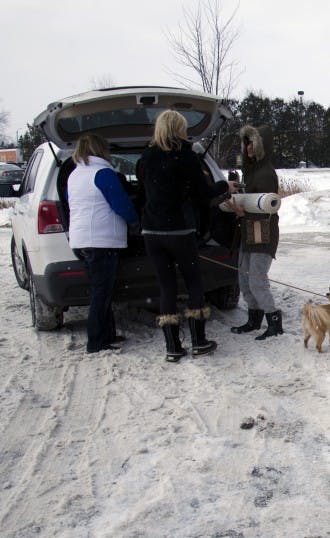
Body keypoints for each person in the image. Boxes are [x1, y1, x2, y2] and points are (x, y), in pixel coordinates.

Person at [137, 110, 232, 362]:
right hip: (179, 231)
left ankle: (173, 347)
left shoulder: (146, 157)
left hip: (151, 232)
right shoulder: (186, 157)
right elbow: (204, 193)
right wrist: (225, 186)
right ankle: (199, 342)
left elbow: (143, 191)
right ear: (178, 129)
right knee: (193, 283)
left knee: (166, 287)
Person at [66, 133, 139, 354]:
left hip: (80, 241)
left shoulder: (74, 175)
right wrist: (135, 222)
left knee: (101, 290)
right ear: (101, 149)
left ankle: (107, 335)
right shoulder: (103, 173)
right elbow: (121, 204)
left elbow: (70, 201)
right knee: (102, 293)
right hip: (101, 241)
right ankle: (96, 342)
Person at [227, 124, 283, 340]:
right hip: (248, 231)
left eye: (252, 143)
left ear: (261, 145)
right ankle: (254, 319)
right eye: (246, 143)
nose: (249, 147)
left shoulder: (266, 173)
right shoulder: (250, 171)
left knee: (257, 280)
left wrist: (242, 213)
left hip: (263, 233)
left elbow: (267, 209)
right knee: (244, 279)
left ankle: (274, 322)